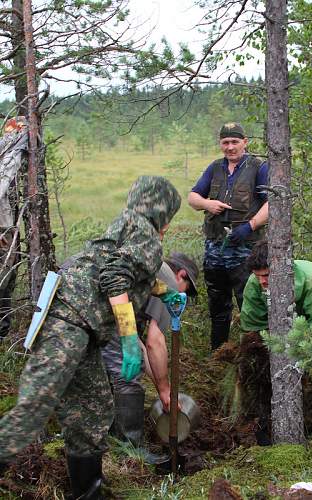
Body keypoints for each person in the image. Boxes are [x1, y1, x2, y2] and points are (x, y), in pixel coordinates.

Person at [0, 175, 182, 500]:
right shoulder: (147, 236)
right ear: (163, 210)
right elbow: (114, 276)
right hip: (68, 321)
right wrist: (129, 339)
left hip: (80, 327)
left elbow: (115, 267)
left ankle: (88, 493)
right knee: (34, 407)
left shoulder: (128, 224)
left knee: (92, 409)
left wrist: (164, 291)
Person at [102, 252, 199, 462]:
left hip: (80, 299)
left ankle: (107, 440)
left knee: (99, 374)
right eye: (187, 291)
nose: (183, 298)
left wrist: (163, 390)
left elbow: (142, 347)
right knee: (127, 376)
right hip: (100, 309)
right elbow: (155, 342)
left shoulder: (150, 268)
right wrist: (165, 390)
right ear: (181, 276)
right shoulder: (169, 283)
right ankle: (130, 450)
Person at [239, 240, 312, 444]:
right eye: (258, 276)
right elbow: (252, 331)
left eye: (266, 275)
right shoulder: (255, 285)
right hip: (280, 337)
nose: (262, 281)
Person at [188, 122, 268, 350]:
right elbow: (192, 197)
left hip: (246, 251)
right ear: (220, 144)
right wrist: (207, 204)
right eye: (225, 142)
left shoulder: (258, 167)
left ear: (245, 142)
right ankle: (218, 354)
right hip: (215, 249)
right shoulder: (214, 168)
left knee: (249, 304)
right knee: (218, 306)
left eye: (235, 142)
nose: (230, 147)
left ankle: (254, 354)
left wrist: (249, 227)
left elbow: (271, 204)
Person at [0, 117, 28, 340]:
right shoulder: (7, 157)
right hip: (2, 229)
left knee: (6, 280)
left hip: (4, 227)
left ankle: (2, 331)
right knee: (4, 279)